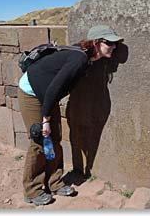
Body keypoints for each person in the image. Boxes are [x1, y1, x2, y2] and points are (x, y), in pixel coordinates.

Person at [17, 25, 124, 206]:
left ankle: (55, 182)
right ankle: (32, 190)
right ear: (97, 43)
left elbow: (54, 90)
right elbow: (54, 89)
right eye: (109, 43)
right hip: (32, 92)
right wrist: (45, 120)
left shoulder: (86, 57)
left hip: (47, 94)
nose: (113, 47)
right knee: (39, 140)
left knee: (55, 138)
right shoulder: (79, 59)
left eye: (115, 44)